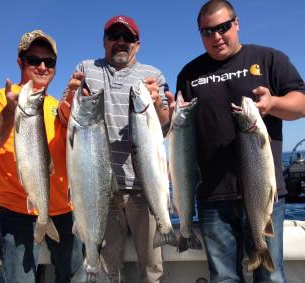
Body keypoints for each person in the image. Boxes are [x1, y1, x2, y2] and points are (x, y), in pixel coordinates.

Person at [175, 0, 305, 282]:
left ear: (237, 23)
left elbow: (301, 103)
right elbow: (180, 129)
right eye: (207, 31)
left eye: (223, 28)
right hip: (212, 196)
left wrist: (273, 103)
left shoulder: (270, 59)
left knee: (270, 277)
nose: (216, 37)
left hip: (265, 193)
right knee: (223, 278)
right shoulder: (189, 74)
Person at [58, 15, 170, 283]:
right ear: (104, 41)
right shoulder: (85, 68)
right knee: (107, 269)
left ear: (138, 44)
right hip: (98, 189)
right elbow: (65, 119)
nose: (121, 42)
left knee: (152, 269)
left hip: (145, 188)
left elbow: (164, 128)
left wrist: (155, 104)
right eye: (114, 36)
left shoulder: (153, 75)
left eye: (128, 38)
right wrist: (70, 97)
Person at [0, 30, 83, 283]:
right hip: (17, 211)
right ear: (20, 62)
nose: (42, 66)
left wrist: (76, 106)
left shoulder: (59, 106)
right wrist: (9, 111)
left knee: (77, 277)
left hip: (64, 211)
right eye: (34, 59)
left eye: (50, 62)